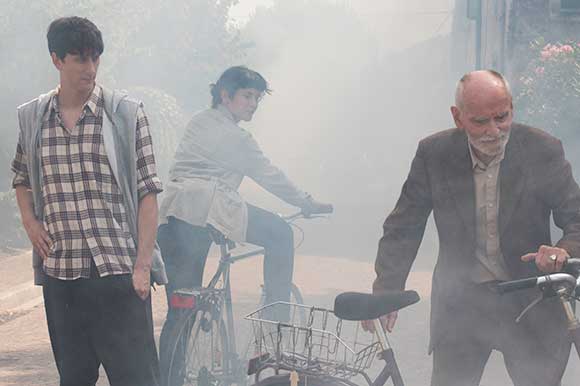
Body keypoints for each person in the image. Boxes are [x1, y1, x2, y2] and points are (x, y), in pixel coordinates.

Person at [369, 70, 580, 386]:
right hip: (462, 305)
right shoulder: (434, 154)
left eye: (501, 117)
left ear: (511, 107)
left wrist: (563, 250)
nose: (493, 131)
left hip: (530, 302)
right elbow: (404, 225)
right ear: (457, 117)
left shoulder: (541, 149)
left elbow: (576, 217)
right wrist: (387, 288)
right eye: (480, 122)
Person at [11, 16, 166, 386]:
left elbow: (148, 192)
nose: (90, 68)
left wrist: (142, 266)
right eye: (80, 58)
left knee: (137, 379)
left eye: (95, 57)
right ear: (57, 60)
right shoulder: (34, 118)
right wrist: (31, 224)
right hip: (62, 277)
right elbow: (21, 178)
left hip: (118, 273)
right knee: (75, 378)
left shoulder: (125, 115)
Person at [157, 66, 332, 385]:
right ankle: (276, 315)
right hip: (209, 208)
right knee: (280, 234)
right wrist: (305, 202)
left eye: (257, 98)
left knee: (181, 310)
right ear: (225, 95)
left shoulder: (198, 121)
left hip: (172, 217)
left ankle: (169, 380)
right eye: (247, 96)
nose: (253, 104)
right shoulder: (238, 137)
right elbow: (270, 176)